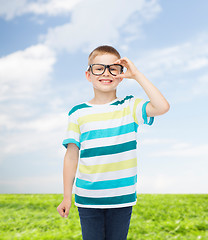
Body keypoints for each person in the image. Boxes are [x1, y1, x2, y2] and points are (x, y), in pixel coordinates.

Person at [57, 45, 170, 240]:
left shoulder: (130, 106)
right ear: (88, 75)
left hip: (122, 198)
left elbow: (162, 107)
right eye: (99, 68)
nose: (106, 73)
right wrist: (67, 196)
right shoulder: (77, 113)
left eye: (113, 69)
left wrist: (137, 75)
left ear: (121, 75)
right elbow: (71, 156)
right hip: (88, 199)